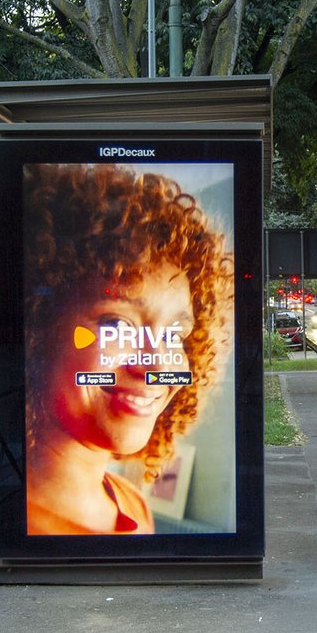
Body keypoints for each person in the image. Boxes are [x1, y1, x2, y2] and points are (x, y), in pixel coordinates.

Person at [22, 164, 231, 534]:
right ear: (38, 328)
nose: (155, 364)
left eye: (173, 333)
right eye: (116, 325)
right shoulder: (26, 525)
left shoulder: (131, 504)